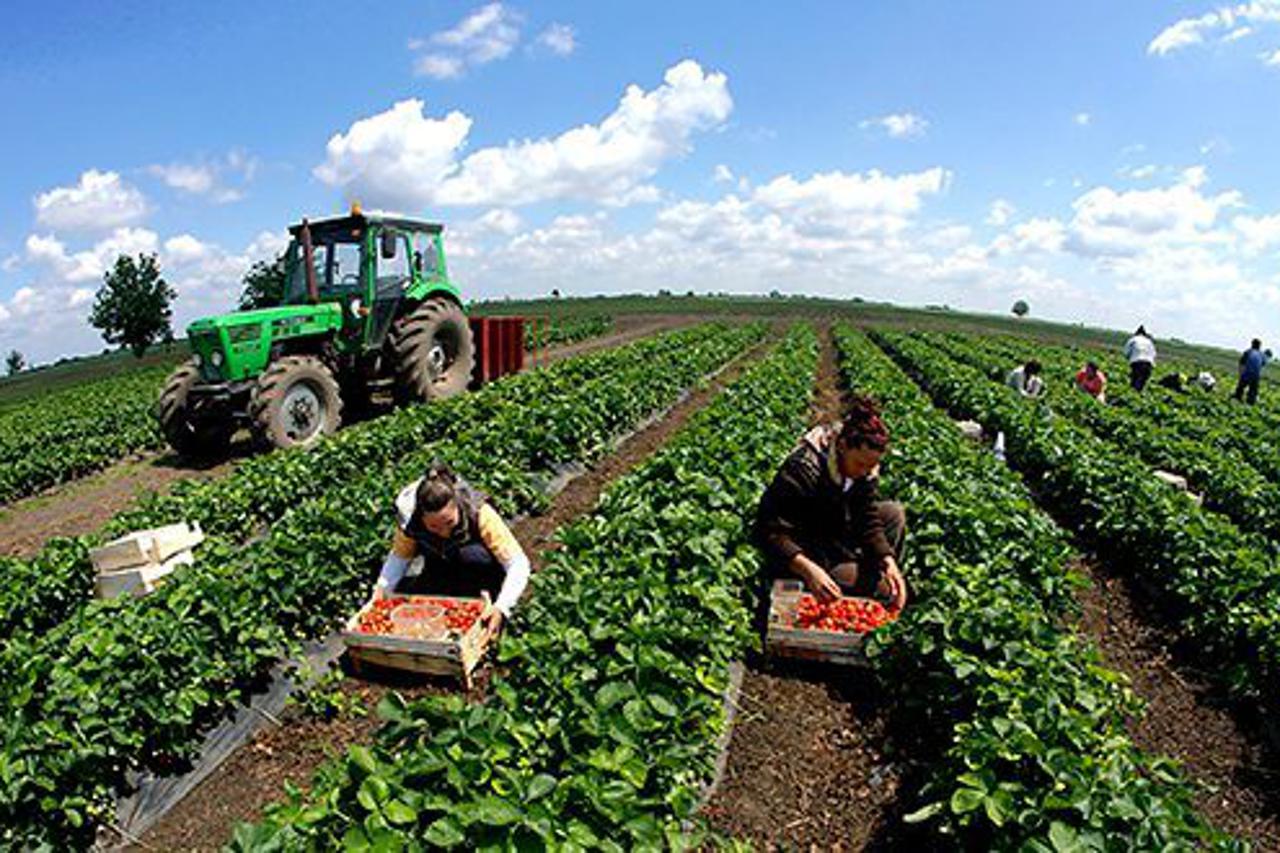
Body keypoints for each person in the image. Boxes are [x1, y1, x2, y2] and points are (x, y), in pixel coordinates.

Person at [752, 395, 908, 611]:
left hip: (835, 533)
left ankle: (867, 571)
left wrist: (887, 559)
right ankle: (831, 582)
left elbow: (867, 517)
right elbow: (771, 532)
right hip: (805, 547)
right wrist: (808, 570)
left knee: (893, 513)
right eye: (860, 464)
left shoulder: (864, 471)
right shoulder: (804, 469)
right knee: (881, 589)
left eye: (870, 466)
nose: (865, 472)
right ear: (842, 446)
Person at [371, 463, 530, 637]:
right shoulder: (411, 522)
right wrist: (382, 589)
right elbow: (400, 557)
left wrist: (502, 607)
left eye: (449, 522)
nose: (444, 532)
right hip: (440, 568)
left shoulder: (479, 513)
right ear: (421, 517)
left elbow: (517, 563)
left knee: (471, 555)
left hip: (482, 574)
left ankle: (488, 590)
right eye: (433, 526)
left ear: (456, 506)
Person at [1124, 326, 1157, 391]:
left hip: (1137, 362)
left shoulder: (1133, 339)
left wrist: (1129, 359)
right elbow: (1154, 354)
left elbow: (1126, 352)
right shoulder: (1149, 341)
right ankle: (1138, 394)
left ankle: (1133, 394)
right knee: (1142, 384)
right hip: (1148, 364)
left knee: (1134, 383)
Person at [1235, 338, 1266, 405]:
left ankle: (1237, 399)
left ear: (1252, 344)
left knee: (1240, 388)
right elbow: (1263, 364)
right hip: (1256, 376)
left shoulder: (1248, 352)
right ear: (1259, 346)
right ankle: (1250, 403)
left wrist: (1240, 374)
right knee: (1253, 391)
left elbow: (1241, 363)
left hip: (1247, 374)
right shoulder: (1262, 355)